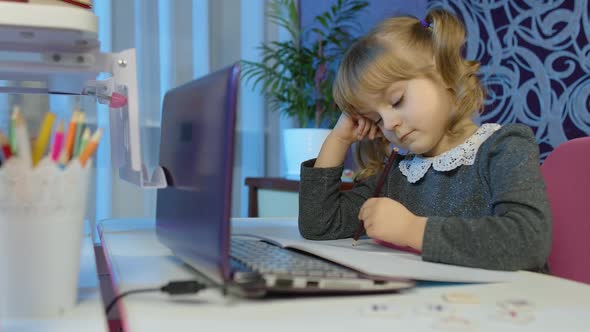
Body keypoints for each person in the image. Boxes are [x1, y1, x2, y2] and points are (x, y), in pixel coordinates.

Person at [297, 9, 552, 272]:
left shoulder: (503, 146)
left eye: (397, 101)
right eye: (376, 120)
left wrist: (412, 229)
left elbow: (528, 241)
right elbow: (320, 225)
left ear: (443, 70)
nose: (390, 124)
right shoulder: (399, 174)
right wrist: (338, 139)